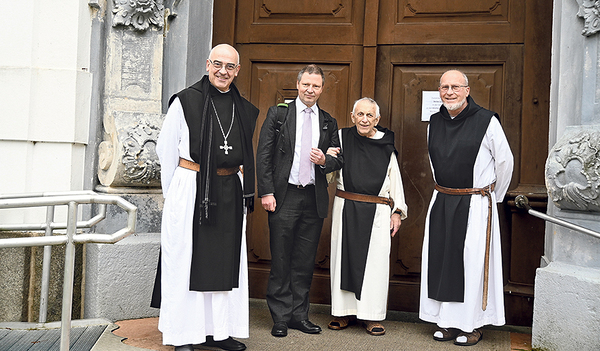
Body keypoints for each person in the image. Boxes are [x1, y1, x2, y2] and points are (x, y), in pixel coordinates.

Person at [150, 44, 259, 351]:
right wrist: (175, 196)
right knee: (186, 261)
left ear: (237, 71)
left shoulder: (245, 109)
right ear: (208, 64)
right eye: (217, 64)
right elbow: (166, 150)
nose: (223, 71)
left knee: (226, 263)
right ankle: (183, 334)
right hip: (191, 188)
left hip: (229, 191)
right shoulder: (186, 102)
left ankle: (219, 331)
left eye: (230, 66)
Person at [419, 70, 514, 346]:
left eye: (455, 87)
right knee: (441, 259)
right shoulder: (434, 121)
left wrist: (493, 198)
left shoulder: (487, 121)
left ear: (467, 90)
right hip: (443, 200)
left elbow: (505, 162)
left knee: (469, 264)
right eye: (444, 87)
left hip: (474, 203)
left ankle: (471, 325)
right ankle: (446, 322)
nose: (449, 92)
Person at [256, 64, 344, 338]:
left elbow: (338, 159)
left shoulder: (328, 121)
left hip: (312, 197)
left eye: (316, 86)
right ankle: (280, 317)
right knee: (281, 258)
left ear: (322, 89)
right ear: (298, 84)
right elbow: (264, 155)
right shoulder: (279, 114)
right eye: (306, 84)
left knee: (304, 261)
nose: (310, 89)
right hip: (284, 196)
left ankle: (299, 316)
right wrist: (266, 192)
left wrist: (325, 160)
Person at [326, 97, 408, 336]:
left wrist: (398, 211)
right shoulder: (341, 138)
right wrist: (326, 161)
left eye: (369, 115)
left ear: (377, 119)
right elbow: (330, 171)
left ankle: (372, 316)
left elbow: (395, 180)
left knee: (375, 264)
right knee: (343, 259)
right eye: (360, 114)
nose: (364, 119)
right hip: (346, 207)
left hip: (378, 212)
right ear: (352, 116)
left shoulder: (386, 145)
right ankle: (341, 312)